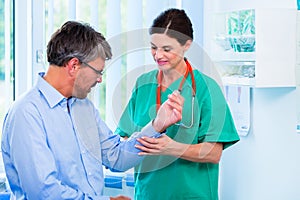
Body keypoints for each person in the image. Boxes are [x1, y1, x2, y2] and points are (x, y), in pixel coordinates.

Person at [1, 21, 184, 200]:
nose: (99, 80)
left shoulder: (83, 107)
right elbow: (43, 192)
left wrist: (157, 125)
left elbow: (117, 156)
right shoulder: (27, 113)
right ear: (74, 66)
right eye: (98, 72)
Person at [115, 8, 240, 200]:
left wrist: (171, 147)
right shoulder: (143, 84)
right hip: (148, 193)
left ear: (186, 45)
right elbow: (123, 138)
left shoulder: (207, 88)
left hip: (191, 195)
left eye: (167, 49)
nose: (158, 55)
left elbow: (214, 153)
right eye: (153, 47)